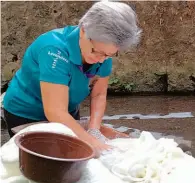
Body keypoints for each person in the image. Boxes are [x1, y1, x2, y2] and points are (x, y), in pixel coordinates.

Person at [3, 1, 141, 153]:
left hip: (66, 110)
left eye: (109, 55)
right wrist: (93, 143)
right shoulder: (54, 50)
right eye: (96, 51)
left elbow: (99, 94)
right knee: (48, 160)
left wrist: (94, 130)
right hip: (26, 113)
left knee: (76, 152)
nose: (101, 59)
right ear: (83, 31)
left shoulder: (103, 54)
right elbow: (55, 111)